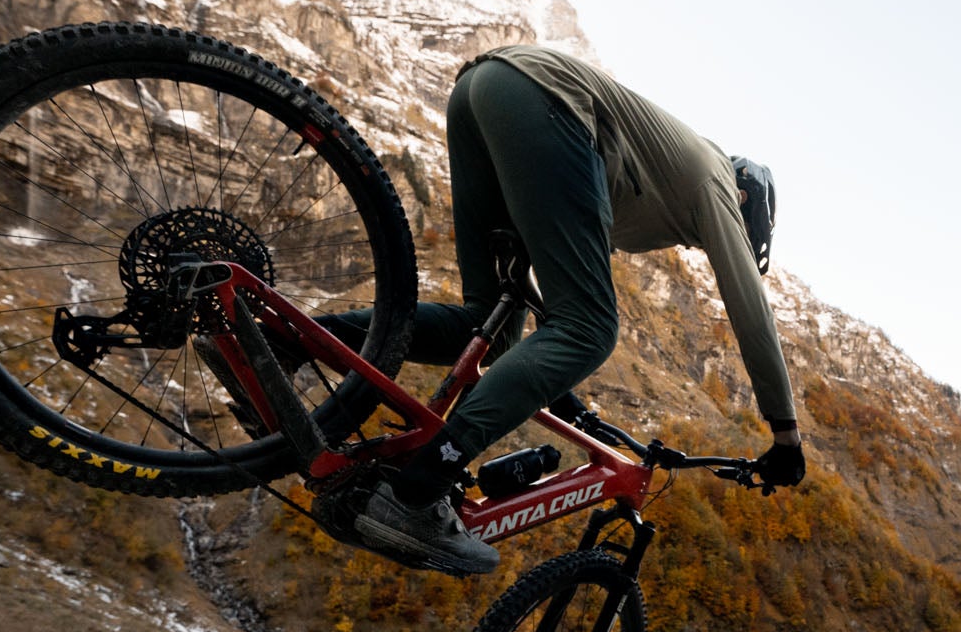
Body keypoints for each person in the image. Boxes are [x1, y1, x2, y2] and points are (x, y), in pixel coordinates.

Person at [339, 46, 805, 575]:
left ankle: (277, 337)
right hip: (544, 99)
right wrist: (785, 435)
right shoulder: (716, 179)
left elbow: (558, 286)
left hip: (481, 91)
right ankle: (417, 491)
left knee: (486, 325)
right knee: (594, 329)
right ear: (747, 198)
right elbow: (750, 309)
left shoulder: (651, 179)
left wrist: (557, 386)